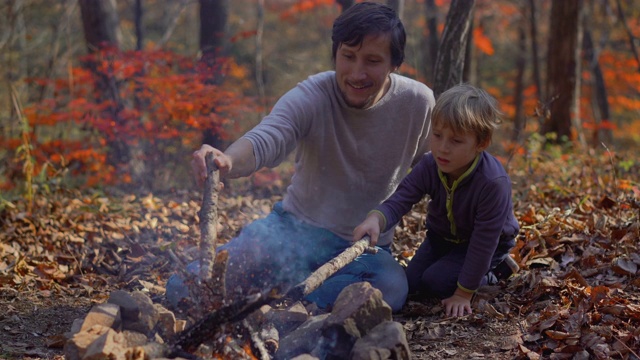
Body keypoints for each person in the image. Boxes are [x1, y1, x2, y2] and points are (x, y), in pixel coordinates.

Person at [166, 1, 435, 313]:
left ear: (394, 63)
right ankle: (302, 301)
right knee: (185, 287)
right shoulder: (313, 94)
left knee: (390, 288)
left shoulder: (418, 104)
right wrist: (226, 161)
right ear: (335, 53)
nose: (357, 73)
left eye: (372, 61)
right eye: (348, 56)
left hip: (364, 250)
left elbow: (436, 171)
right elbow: (268, 136)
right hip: (290, 233)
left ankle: (289, 302)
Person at [353, 84, 520, 317]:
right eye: (438, 135)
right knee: (410, 283)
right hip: (442, 239)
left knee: (436, 282)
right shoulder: (431, 164)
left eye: (456, 141)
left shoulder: (492, 183)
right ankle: (452, 268)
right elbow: (402, 197)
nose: (443, 148)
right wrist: (376, 219)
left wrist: (464, 293)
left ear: (480, 143)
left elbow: (483, 244)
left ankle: (497, 270)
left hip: (484, 245)